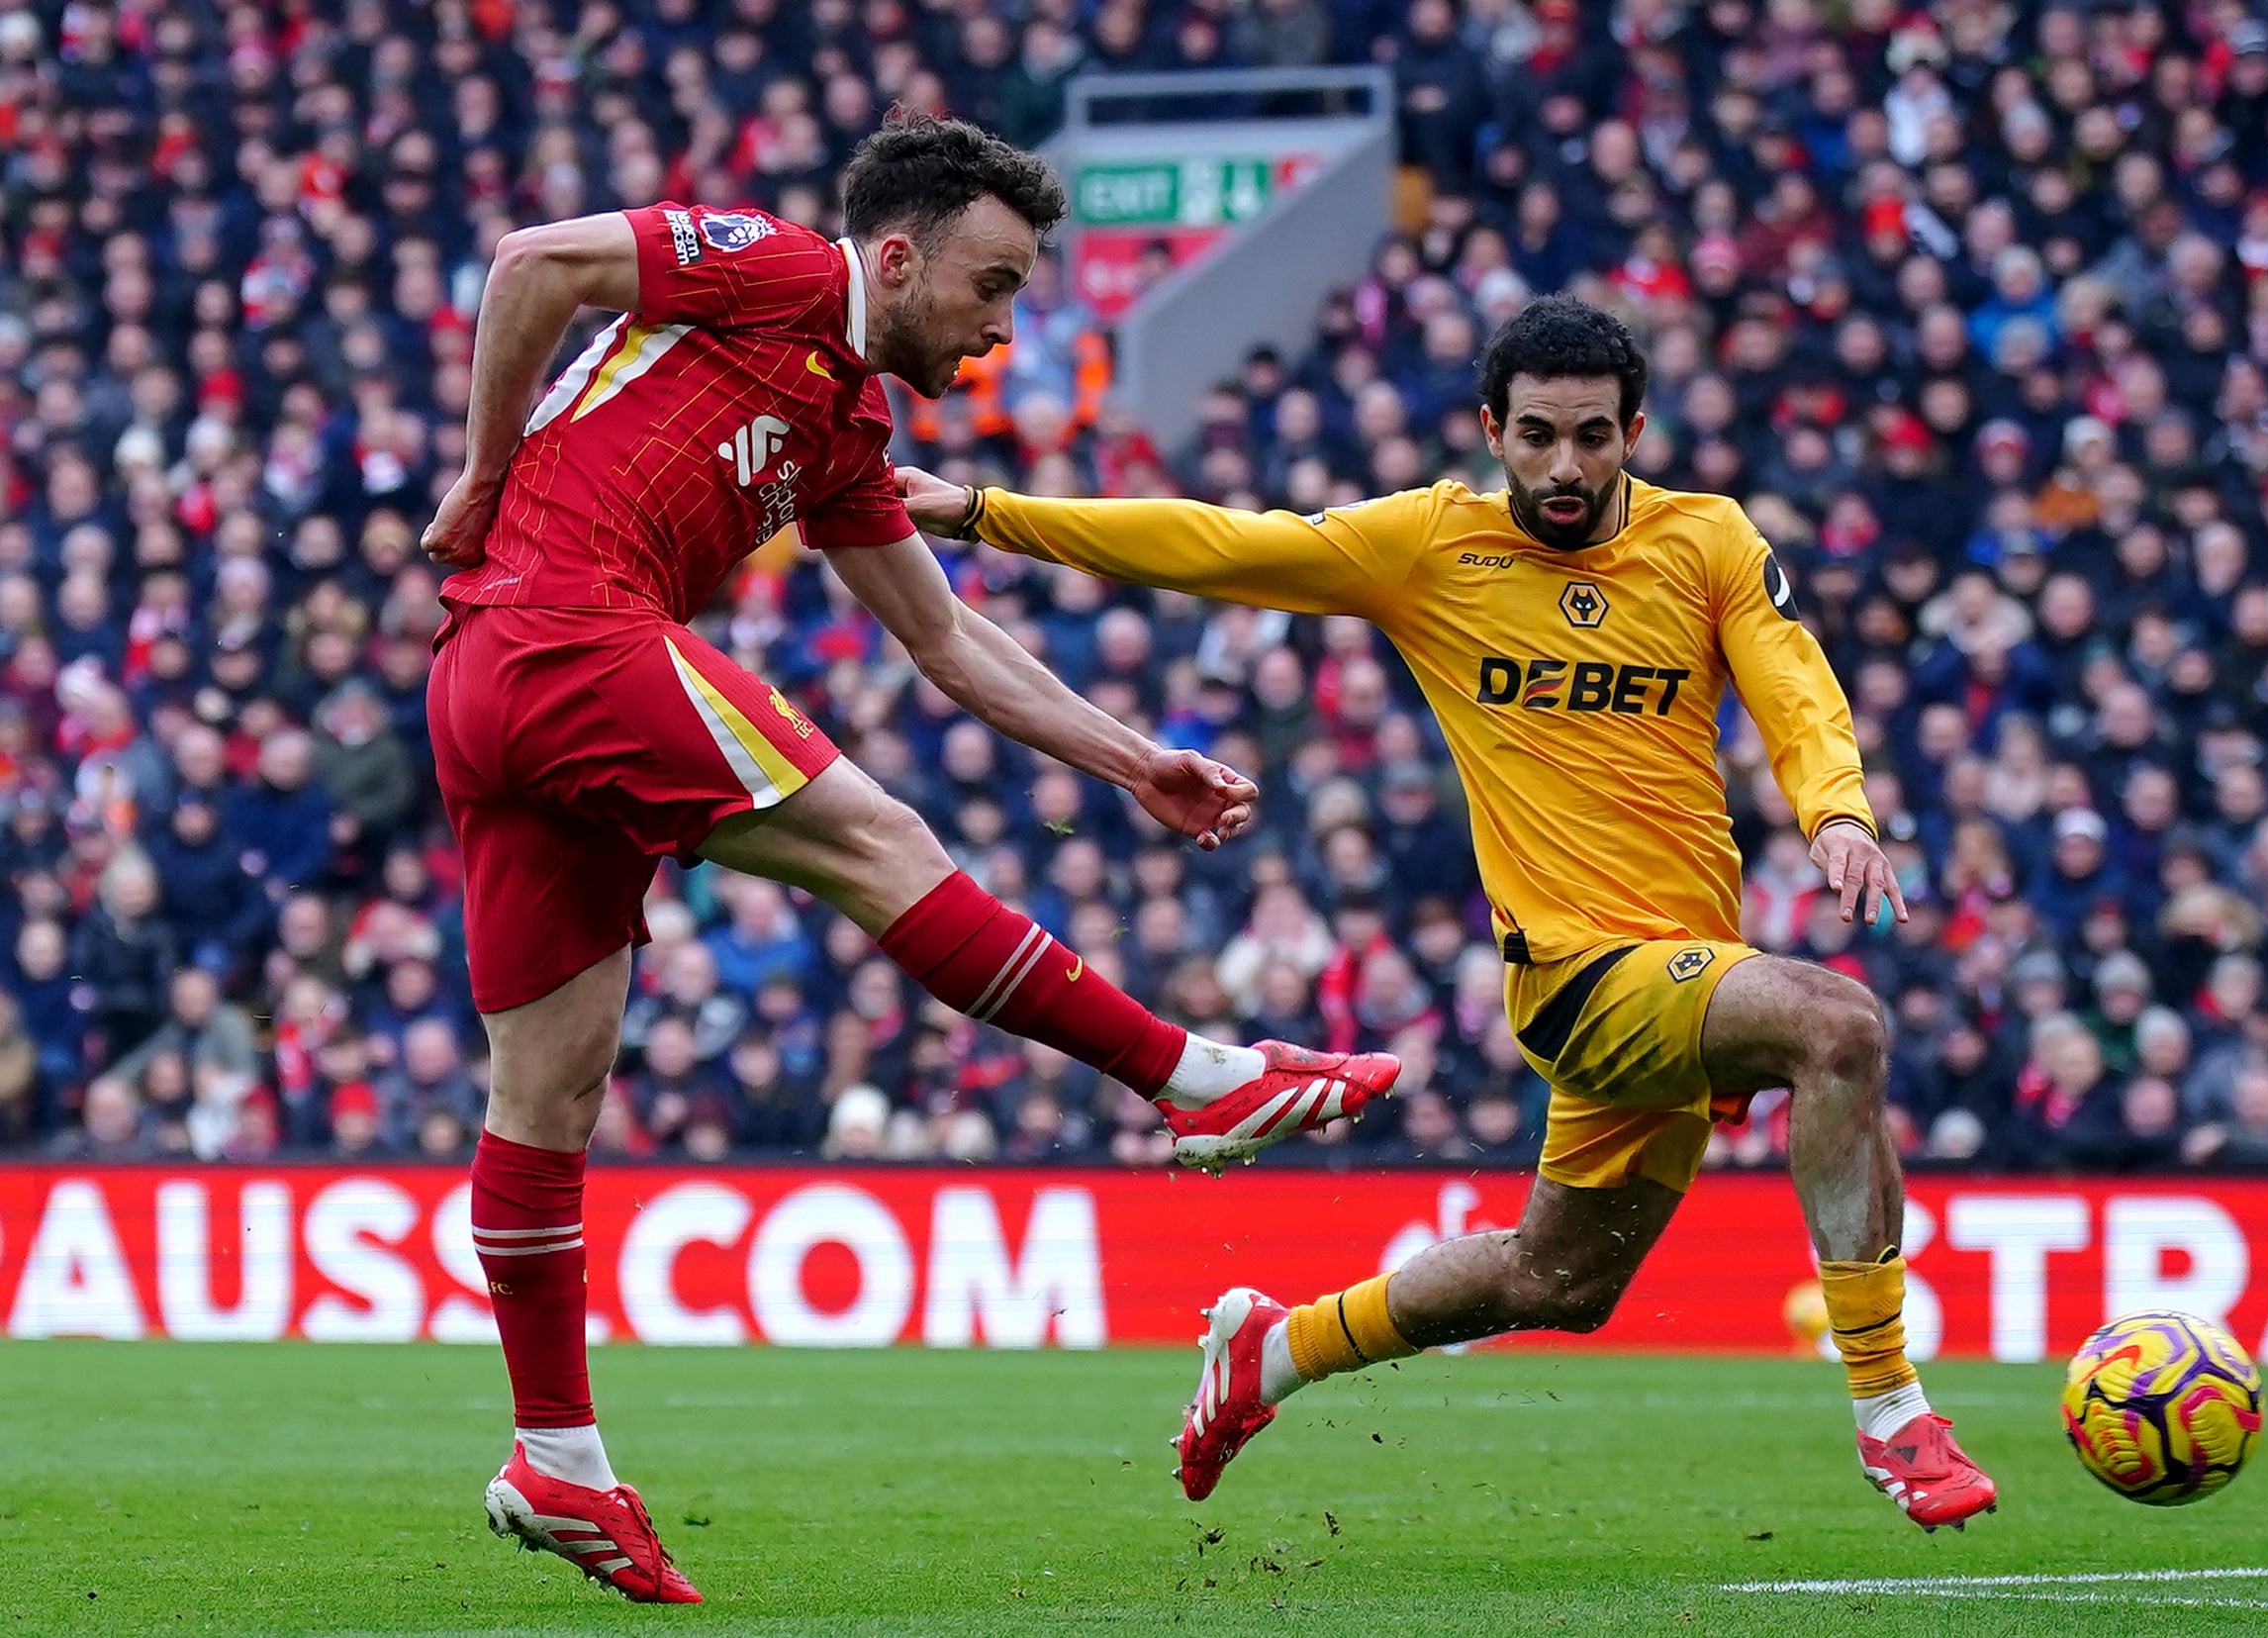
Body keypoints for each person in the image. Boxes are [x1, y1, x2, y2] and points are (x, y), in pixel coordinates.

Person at [419, 112, 1399, 1603]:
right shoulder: (773, 267)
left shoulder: (843, 427)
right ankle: (1192, 1078)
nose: (1003, 329)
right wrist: (485, 472)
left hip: (494, 681)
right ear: (894, 258)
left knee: (548, 1089)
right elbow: (530, 262)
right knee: (881, 842)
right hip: (563, 623)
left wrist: (1130, 758)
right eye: (990, 285)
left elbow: (944, 638)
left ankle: (555, 1451)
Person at [899, 295, 1997, 1532]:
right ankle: (1890, 1404)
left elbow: (1794, 683)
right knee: (1836, 1024)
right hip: (1575, 974)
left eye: (1592, 435)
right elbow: (1215, 542)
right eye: (1536, 435)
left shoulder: (1709, 541)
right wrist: (983, 511)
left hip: (1688, 965)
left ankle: (1276, 1348)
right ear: (1490, 429)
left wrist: (1837, 808)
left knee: (1558, 1280)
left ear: (1635, 431)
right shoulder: (1430, 545)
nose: (1564, 464)